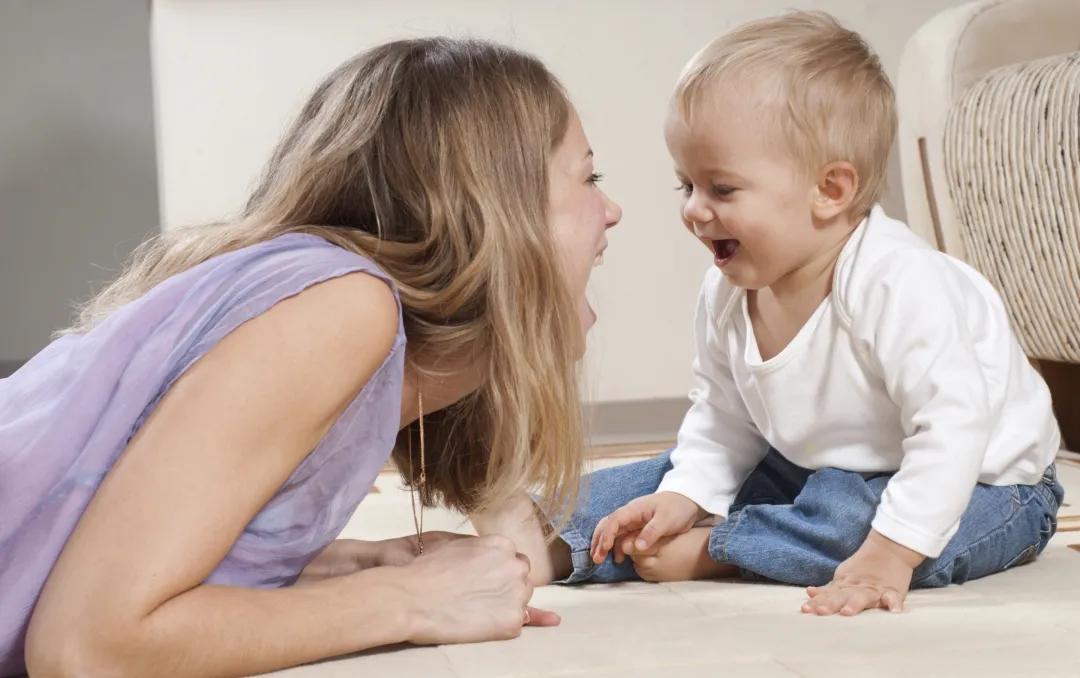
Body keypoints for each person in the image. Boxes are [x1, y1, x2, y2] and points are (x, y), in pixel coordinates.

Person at [0, 37, 620, 676]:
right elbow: (86, 647)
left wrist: (345, 565)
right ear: (492, 211)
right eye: (588, 178)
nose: (612, 212)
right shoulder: (343, 309)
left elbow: (107, 548)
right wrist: (408, 599)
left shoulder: (332, 315)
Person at [487, 11, 1064, 618]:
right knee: (657, 479)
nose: (694, 211)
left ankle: (722, 548)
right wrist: (685, 495)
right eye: (686, 185)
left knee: (857, 525)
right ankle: (553, 538)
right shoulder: (728, 290)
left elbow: (952, 430)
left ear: (831, 191)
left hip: (988, 481)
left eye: (722, 190)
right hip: (819, 468)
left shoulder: (899, 283)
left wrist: (890, 554)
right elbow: (721, 420)